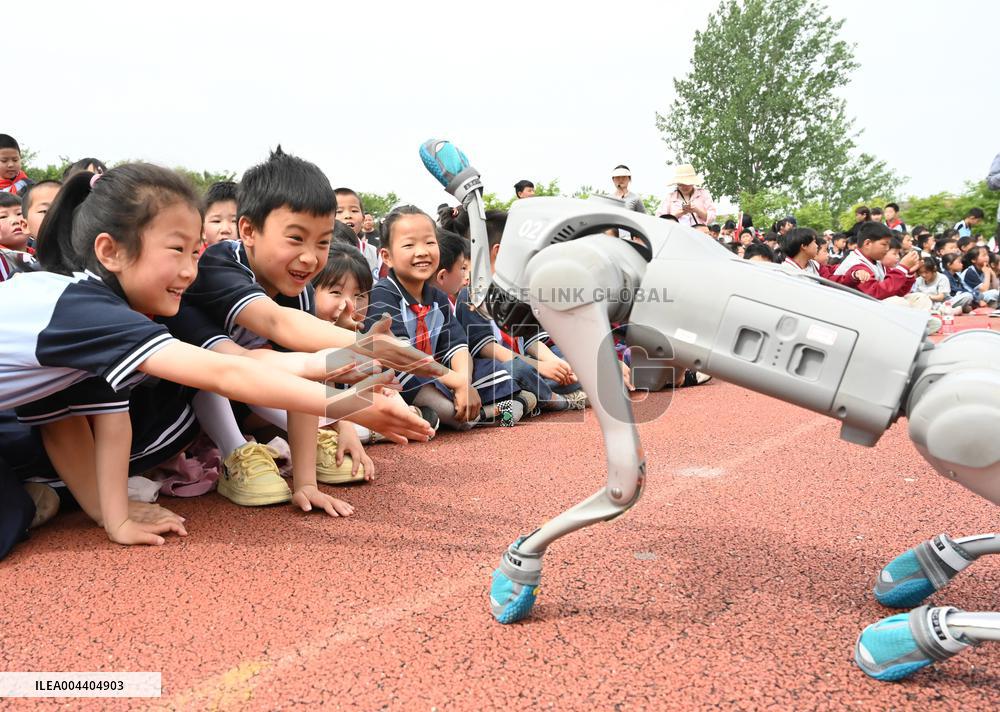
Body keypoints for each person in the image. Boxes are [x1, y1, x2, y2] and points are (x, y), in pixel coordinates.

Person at [1, 164, 422, 547]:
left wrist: (112, 517)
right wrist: (352, 404)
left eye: (193, 250)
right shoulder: (82, 308)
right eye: (176, 250)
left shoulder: (104, 315)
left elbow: (72, 423)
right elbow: (222, 370)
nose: (190, 269)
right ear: (111, 251)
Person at [165, 150, 438, 509]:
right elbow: (272, 333)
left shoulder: (442, 302)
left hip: (252, 383)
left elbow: (306, 371)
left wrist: (307, 482)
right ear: (247, 230)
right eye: (296, 239)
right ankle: (237, 452)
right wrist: (375, 354)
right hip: (194, 392)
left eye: (322, 242)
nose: (310, 257)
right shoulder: (218, 266)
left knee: (446, 409)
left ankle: (507, 410)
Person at [366, 206, 528, 428]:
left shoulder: (437, 297)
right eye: (409, 245)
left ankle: (454, 415)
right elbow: (398, 354)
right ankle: (483, 415)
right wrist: (455, 382)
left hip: (438, 376)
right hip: (404, 376)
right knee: (406, 377)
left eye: (429, 243)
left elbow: (457, 345)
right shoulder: (383, 294)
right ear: (386, 256)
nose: (422, 251)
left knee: (493, 370)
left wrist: (463, 382)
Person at [832, 222, 919, 299]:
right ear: (867, 243)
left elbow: (897, 291)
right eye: (884, 244)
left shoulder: (876, 261)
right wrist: (902, 268)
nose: (887, 248)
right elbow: (876, 293)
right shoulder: (856, 265)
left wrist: (908, 272)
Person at [334, 187, 380, 278]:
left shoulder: (375, 254)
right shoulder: (320, 253)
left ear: (363, 219)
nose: (347, 216)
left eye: (354, 211)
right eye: (339, 211)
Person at [201, 181, 239, 248]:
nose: (225, 230)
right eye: (216, 221)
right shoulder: (193, 257)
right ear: (202, 230)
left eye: (234, 221)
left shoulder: (257, 257)